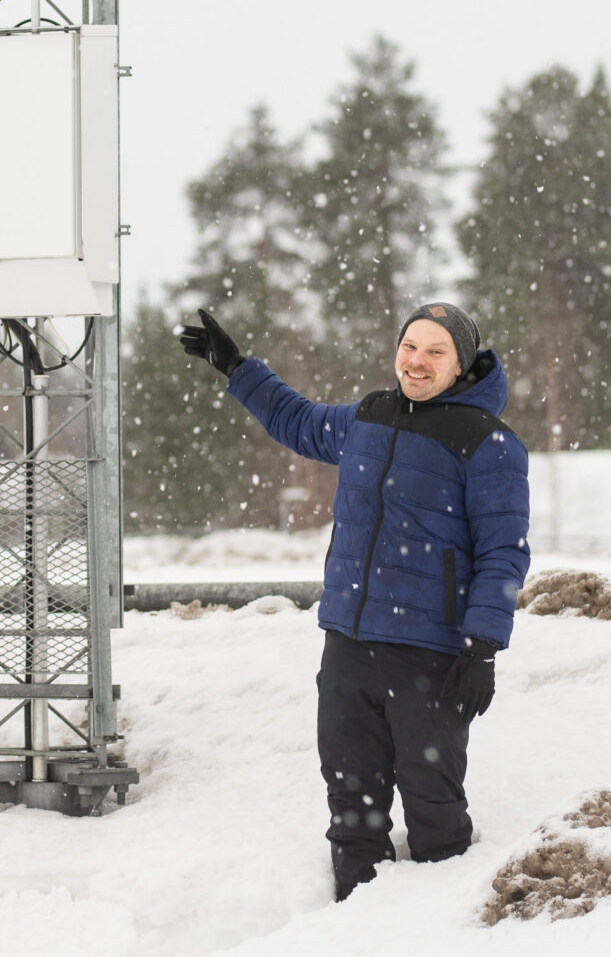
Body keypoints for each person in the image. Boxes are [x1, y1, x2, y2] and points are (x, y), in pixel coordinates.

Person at [177, 302, 531, 901]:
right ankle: (352, 921)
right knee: (352, 806)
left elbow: (504, 553)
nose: (416, 361)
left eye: (435, 351)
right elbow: (298, 420)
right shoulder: (372, 415)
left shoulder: (488, 443)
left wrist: (483, 647)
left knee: (434, 807)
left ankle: (441, 932)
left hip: (429, 656)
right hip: (348, 644)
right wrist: (236, 366)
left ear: (461, 363)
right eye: (410, 346)